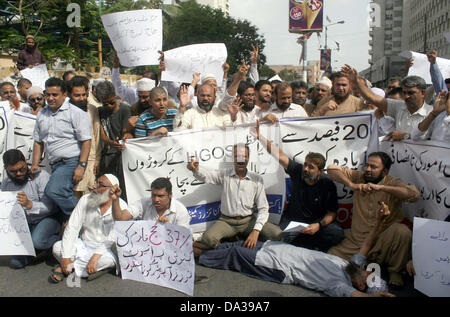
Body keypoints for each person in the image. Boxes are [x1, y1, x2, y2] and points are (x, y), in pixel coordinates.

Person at [197, 201, 395, 297]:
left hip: (276, 266)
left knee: (232, 254)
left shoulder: (339, 285)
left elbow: (356, 297)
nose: (368, 270)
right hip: (275, 249)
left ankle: (188, 254)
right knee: (234, 245)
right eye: (370, 271)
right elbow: (367, 245)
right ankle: (186, 249)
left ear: (361, 286)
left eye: (369, 276)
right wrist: (380, 221)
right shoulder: (352, 266)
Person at [326, 151, 420, 288]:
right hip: (357, 242)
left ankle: (395, 271)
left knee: (402, 231)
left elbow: (414, 194)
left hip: (382, 242)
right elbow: (331, 170)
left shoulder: (393, 183)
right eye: (367, 165)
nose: (368, 169)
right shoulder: (359, 178)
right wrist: (352, 185)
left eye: (374, 167)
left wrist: (382, 188)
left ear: (385, 171)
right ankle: (367, 267)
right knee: (330, 259)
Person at [254, 123, 343, 252]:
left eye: (311, 167)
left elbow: (332, 213)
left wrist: (318, 225)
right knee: (278, 236)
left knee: (337, 233)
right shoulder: (298, 170)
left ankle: (306, 244)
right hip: (293, 221)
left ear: (320, 171)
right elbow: (279, 154)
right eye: (305, 164)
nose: (306, 169)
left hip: (315, 224)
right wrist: (260, 137)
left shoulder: (327, 184)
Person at [188, 144, 282, 254]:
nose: (241, 160)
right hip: (227, 222)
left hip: (248, 221)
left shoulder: (256, 179)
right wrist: (195, 170)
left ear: (248, 158)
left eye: (244, 156)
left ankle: (235, 242)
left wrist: (255, 231)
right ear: (233, 158)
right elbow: (206, 176)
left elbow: (263, 208)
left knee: (277, 234)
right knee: (208, 239)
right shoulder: (224, 175)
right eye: (238, 156)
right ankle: (234, 245)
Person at [31, 77, 92, 221]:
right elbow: (38, 142)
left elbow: (86, 141)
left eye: (55, 95)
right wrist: (34, 163)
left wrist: (81, 166)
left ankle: (84, 220)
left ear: (65, 95)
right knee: (56, 195)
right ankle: (73, 222)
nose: (50, 98)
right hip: (54, 164)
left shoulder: (76, 113)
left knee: (54, 190)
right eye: (48, 94)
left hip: (71, 161)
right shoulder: (42, 114)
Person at [50, 174, 127, 283]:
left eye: (100, 185)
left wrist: (95, 257)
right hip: (83, 244)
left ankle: (68, 268)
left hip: (104, 250)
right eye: (96, 182)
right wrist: (66, 257)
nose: (94, 186)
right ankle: (85, 269)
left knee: (109, 261)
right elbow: (72, 227)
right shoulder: (85, 199)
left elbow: (114, 237)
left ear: (112, 190)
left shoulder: (122, 206)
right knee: (57, 247)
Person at [341, 64, 433, 141]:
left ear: (423, 93)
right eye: (404, 93)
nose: (406, 96)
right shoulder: (399, 106)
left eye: (411, 93)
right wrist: (356, 81)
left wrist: (405, 136)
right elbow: (372, 98)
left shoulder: (432, 114)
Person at [2, 149, 60, 269]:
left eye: (21, 169)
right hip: (25, 225)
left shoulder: (40, 176)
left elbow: (51, 206)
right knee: (15, 263)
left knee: (38, 241)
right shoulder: (6, 184)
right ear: (6, 169)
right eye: (13, 171)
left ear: (25, 162)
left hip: (47, 218)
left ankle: (59, 243)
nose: (18, 173)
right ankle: (37, 250)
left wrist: (30, 205)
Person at [110, 177, 191, 231]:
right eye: (153, 195)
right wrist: (115, 199)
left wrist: (167, 228)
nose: (156, 200)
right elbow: (120, 218)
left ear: (170, 195)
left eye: (160, 196)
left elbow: (182, 239)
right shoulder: (144, 203)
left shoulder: (180, 210)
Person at [67, 76, 102, 197]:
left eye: (84, 95)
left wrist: (97, 160)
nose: (82, 99)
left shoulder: (92, 109)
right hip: (71, 161)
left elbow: (96, 136)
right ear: (69, 95)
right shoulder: (65, 111)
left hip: (90, 161)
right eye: (77, 95)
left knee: (90, 197)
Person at [95, 80, 130, 201]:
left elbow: (126, 132)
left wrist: (121, 140)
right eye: (105, 104)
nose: (109, 106)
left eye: (111, 102)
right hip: (106, 157)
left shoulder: (125, 110)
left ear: (115, 96)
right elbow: (102, 135)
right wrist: (111, 143)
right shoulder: (99, 112)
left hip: (122, 156)